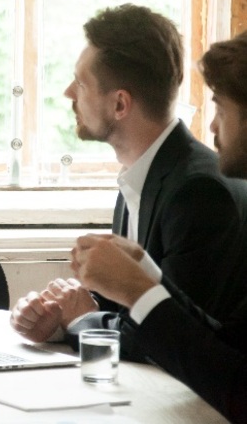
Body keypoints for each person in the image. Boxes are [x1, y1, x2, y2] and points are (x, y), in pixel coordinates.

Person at [9, 4, 247, 359]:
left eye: (82, 82)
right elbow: (126, 306)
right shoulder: (143, 174)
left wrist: (81, 320)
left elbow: (173, 339)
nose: (69, 93)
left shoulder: (198, 192)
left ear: (120, 104)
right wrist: (58, 315)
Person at [71, 31, 247, 422]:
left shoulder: (197, 189)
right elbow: (228, 340)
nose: (212, 126)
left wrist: (131, 293)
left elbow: (232, 382)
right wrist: (147, 277)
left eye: (220, 106)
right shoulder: (136, 178)